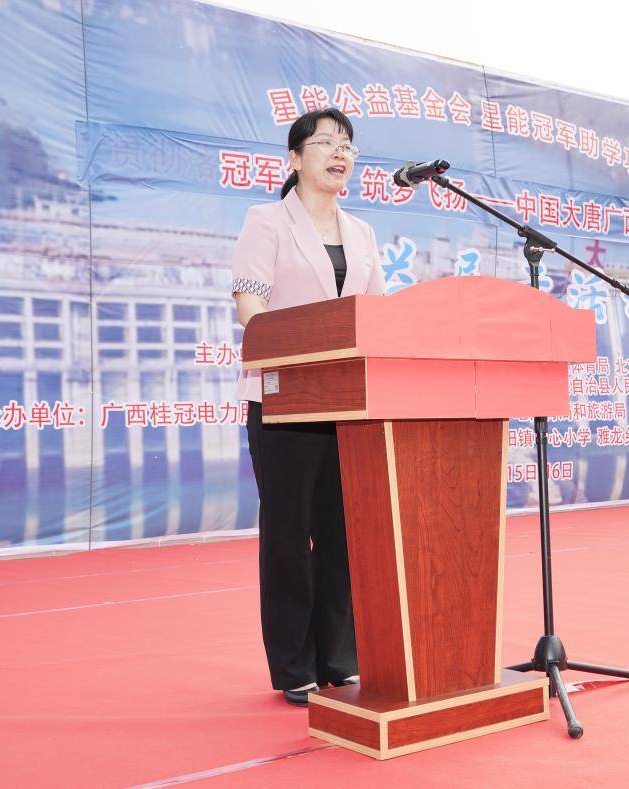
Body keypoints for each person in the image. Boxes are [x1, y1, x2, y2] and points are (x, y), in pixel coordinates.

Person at [231, 108, 385, 706]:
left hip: (347, 403)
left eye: (347, 144)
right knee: (289, 535)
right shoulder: (266, 221)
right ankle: (294, 663)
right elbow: (251, 305)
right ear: (295, 158)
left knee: (343, 534)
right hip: (283, 400)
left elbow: (375, 315)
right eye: (324, 142)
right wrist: (292, 352)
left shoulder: (363, 233)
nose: (338, 152)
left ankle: (338, 659)